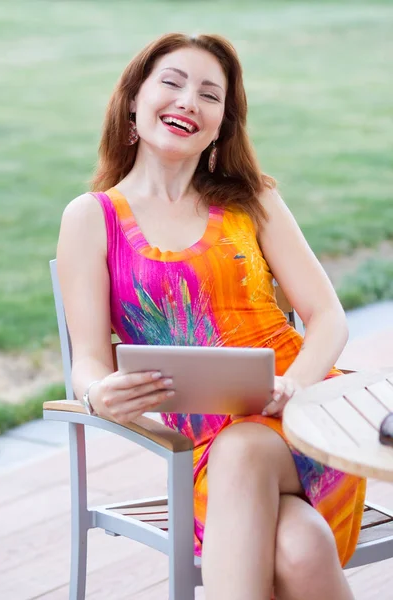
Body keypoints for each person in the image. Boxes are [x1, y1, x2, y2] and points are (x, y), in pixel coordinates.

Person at [57, 32, 364, 600]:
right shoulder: (90, 218)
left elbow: (327, 317)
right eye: (171, 83)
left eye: (209, 94)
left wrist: (295, 385)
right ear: (133, 100)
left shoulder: (254, 200)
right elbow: (89, 363)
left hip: (304, 426)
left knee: (245, 448)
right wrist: (100, 394)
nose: (188, 102)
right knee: (299, 550)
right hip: (199, 455)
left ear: (222, 123)